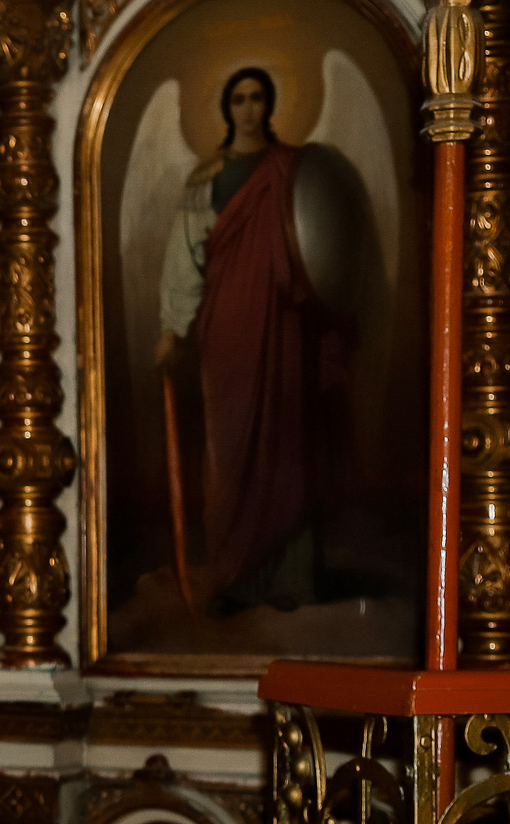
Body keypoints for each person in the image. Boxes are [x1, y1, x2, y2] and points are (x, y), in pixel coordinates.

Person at [153, 67, 361, 612]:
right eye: (239, 99)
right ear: (227, 109)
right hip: (228, 324)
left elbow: (320, 238)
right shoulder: (207, 178)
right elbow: (185, 257)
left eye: (258, 98)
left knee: (287, 442)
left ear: (269, 105)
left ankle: (290, 579)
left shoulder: (292, 169)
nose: (249, 108)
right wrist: (173, 327)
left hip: (286, 324)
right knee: (230, 445)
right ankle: (234, 577)